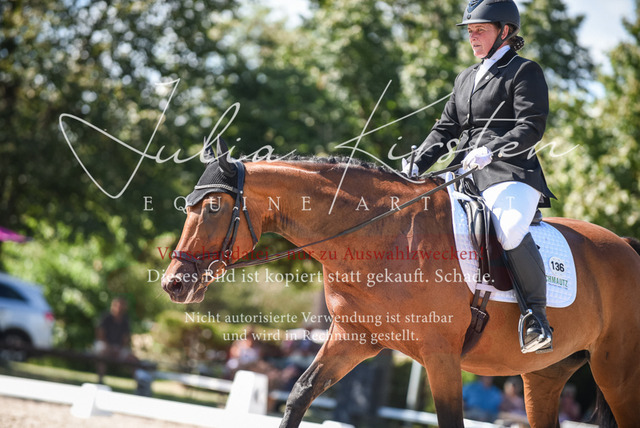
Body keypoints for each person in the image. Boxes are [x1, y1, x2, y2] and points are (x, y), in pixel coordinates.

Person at [404, 0, 554, 353]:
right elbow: (445, 129)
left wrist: (493, 150)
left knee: (508, 227)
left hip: (510, 172)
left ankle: (536, 318)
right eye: (470, 31)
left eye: (480, 30)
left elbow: (531, 126)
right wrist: (415, 164)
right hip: (464, 173)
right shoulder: (465, 78)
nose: (472, 37)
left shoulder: (524, 71)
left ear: (505, 31)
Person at [95, 297, 138, 383]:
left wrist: (118, 349)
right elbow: (100, 335)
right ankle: (100, 379)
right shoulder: (106, 317)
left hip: (118, 348)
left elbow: (126, 339)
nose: (120, 308)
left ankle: (138, 382)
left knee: (133, 359)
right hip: (105, 345)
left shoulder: (125, 321)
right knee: (102, 354)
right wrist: (110, 348)